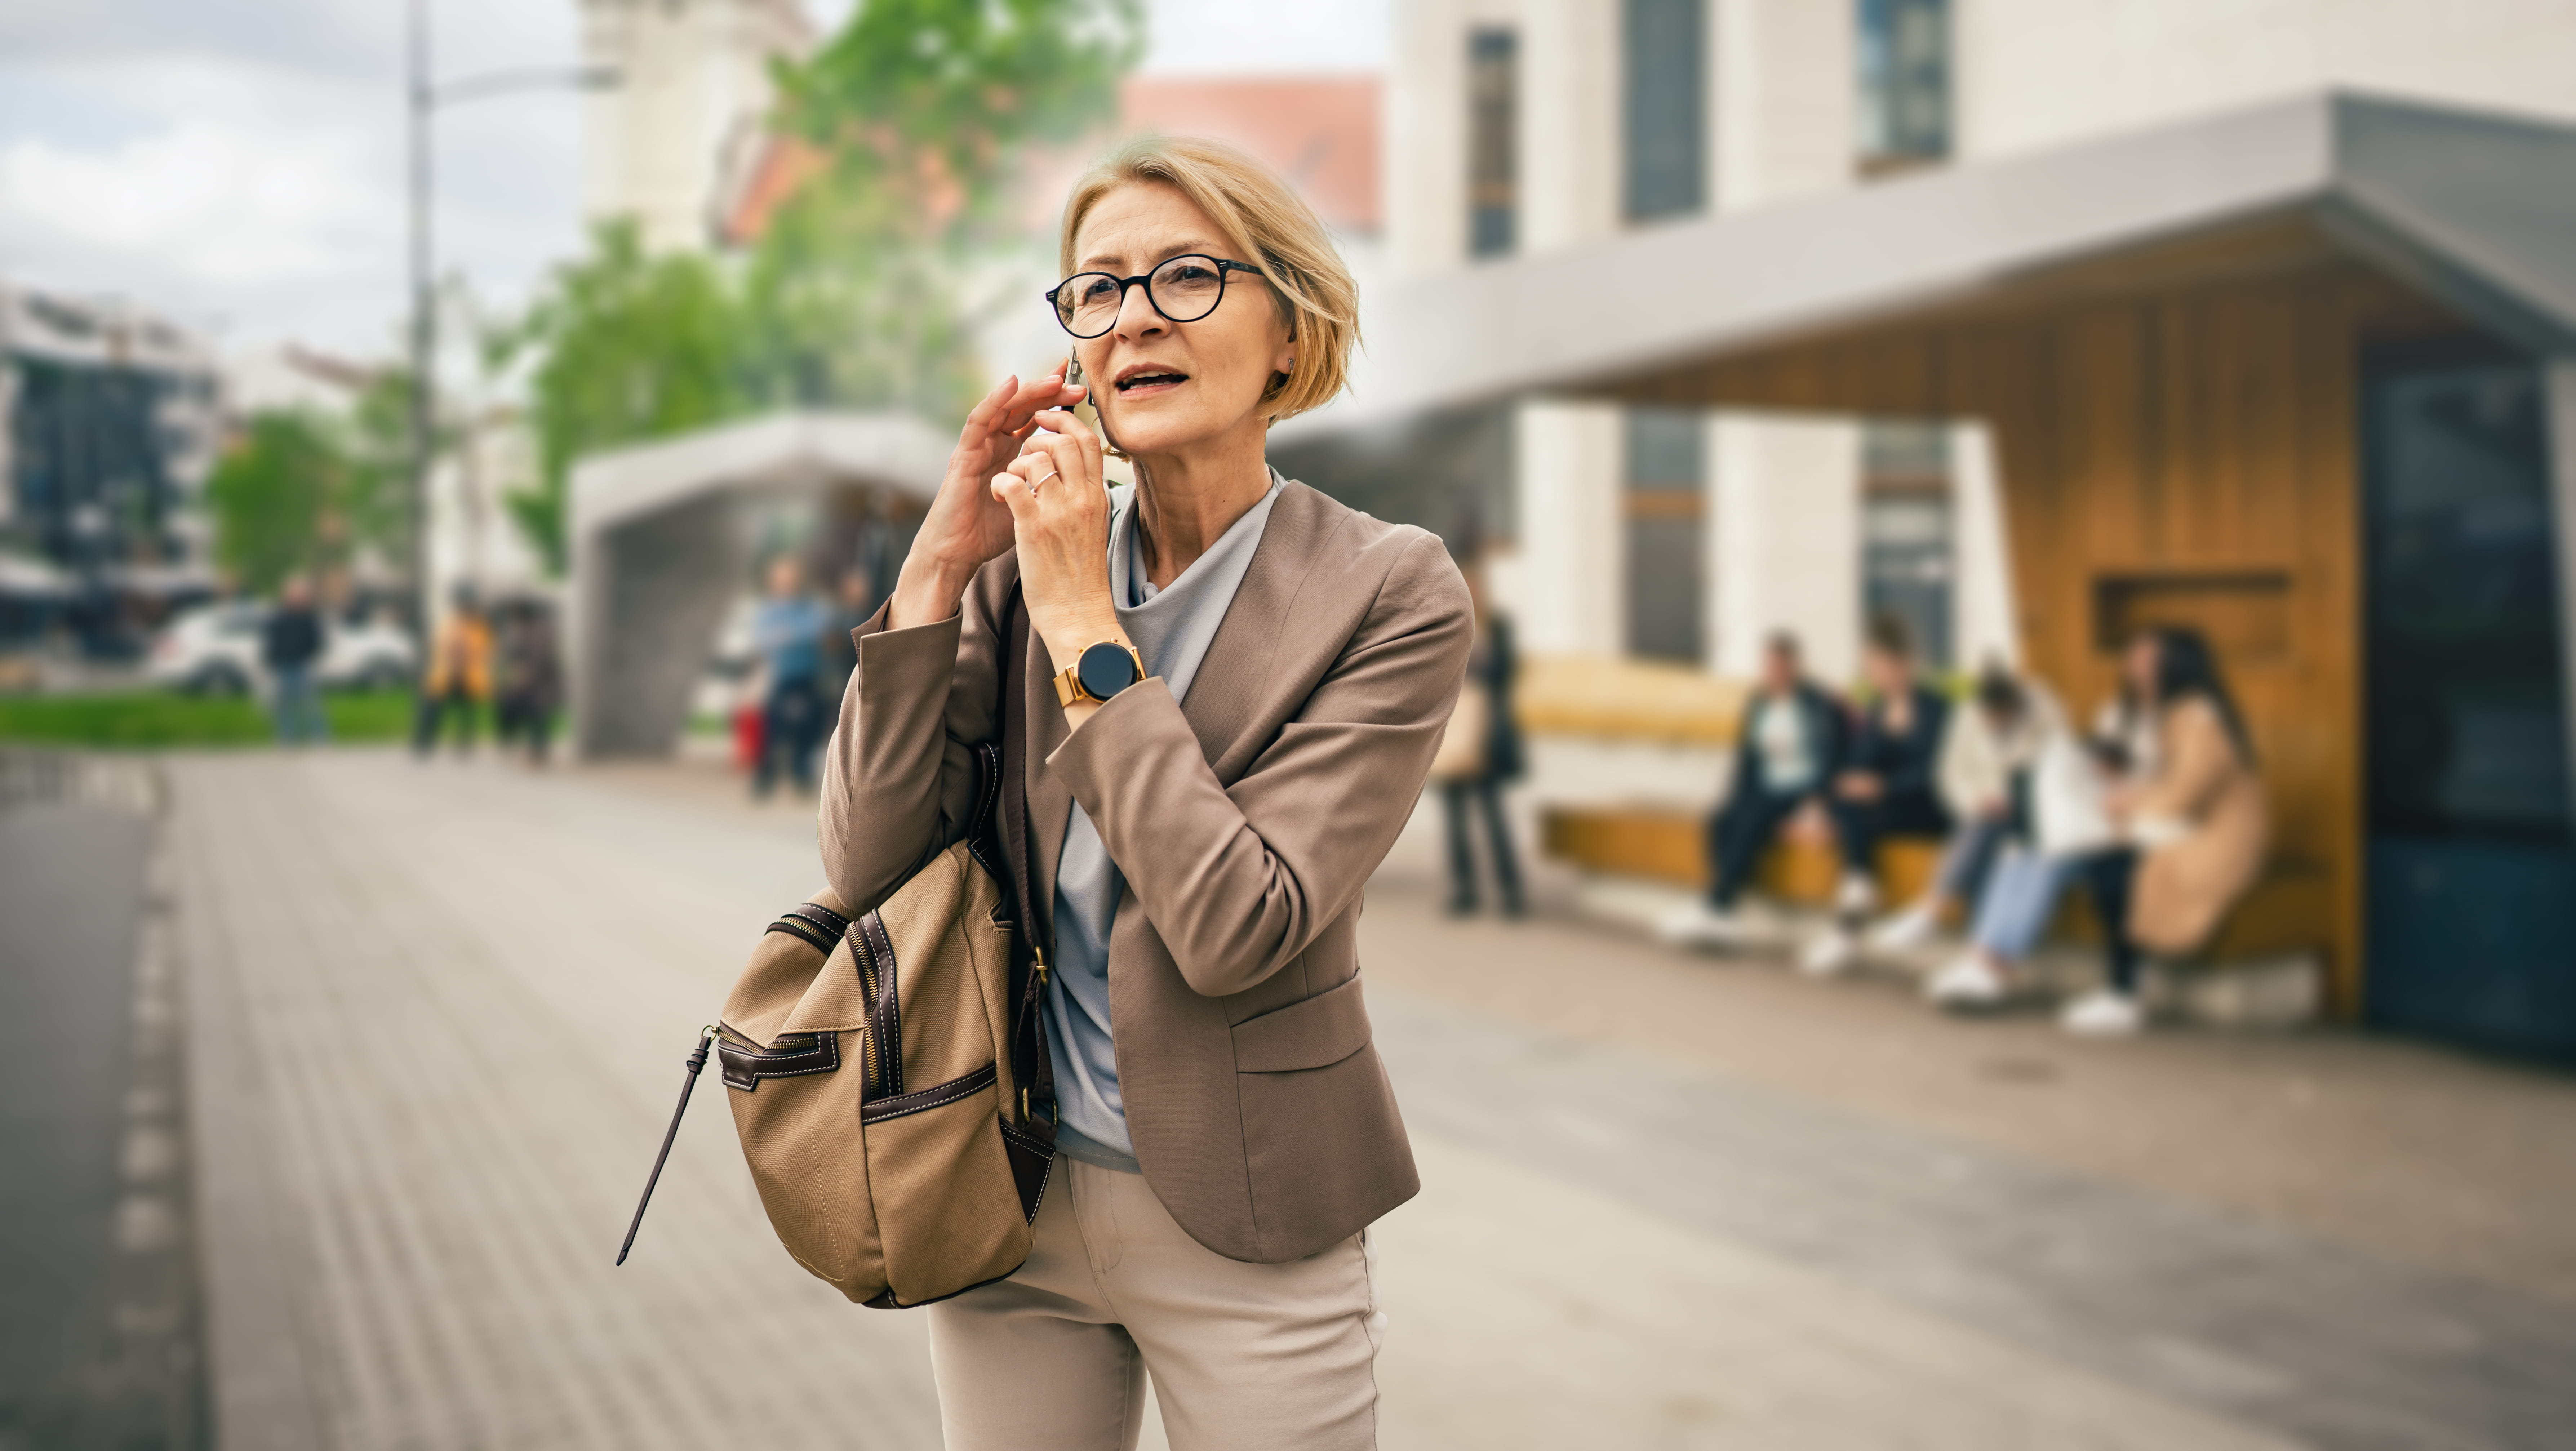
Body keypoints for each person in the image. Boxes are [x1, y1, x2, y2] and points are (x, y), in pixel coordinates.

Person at [820, 135, 1467, 1450]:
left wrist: (1082, 624)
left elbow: (1238, 926)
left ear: (1289, 332)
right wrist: (940, 564)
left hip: (1253, 1221)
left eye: (1185, 276)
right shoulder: (1012, 572)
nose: (1134, 318)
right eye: (1098, 288)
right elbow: (866, 862)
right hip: (1003, 1195)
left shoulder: (1388, 590)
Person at [1927, 627, 2267, 1036]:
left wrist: (2127, 799)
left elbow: (2185, 791)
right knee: (2033, 848)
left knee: (2105, 864)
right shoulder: (2126, 713)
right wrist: (2104, 777)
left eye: (2147, 659)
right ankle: (1987, 960)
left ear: (2176, 664)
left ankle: (2120, 992)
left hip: (2199, 838)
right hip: (2142, 825)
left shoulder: (2197, 716)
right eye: (2134, 657)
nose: (2136, 667)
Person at [1658, 632, 1848, 947]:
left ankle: (1718, 909)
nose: (1774, 672)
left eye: (1780, 665)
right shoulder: (1759, 702)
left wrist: (1818, 802)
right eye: (1769, 665)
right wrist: (1731, 797)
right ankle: (1722, 910)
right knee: (1721, 819)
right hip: (1766, 786)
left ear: (1794, 666)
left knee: (1752, 819)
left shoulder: (1816, 702)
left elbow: (1831, 754)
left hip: (1802, 791)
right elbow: (1747, 757)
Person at [1870, 663, 2062, 951]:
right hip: (1982, 812)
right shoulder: (1968, 715)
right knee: (1983, 829)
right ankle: (1976, 944)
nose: (1993, 724)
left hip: (2033, 811)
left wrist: (2009, 798)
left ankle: (1932, 912)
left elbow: (2051, 772)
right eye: (1988, 717)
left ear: (2014, 708)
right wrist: (1978, 800)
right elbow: (1949, 773)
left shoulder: (2045, 717)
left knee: (1983, 831)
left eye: (2000, 718)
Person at [1802, 616, 1952, 974]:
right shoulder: (1877, 709)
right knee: (1846, 799)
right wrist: (1836, 794)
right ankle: (1857, 895)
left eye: (1876, 665)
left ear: (1900, 663)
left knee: (1855, 820)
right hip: (1887, 811)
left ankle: (1849, 924)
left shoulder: (1937, 709)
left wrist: (1883, 786)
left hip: (1927, 809)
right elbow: (1859, 762)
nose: (1871, 674)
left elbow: (1937, 774)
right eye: (1868, 666)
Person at [1431, 566, 1527, 917]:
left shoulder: (1498, 628)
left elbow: (1507, 673)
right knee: (1455, 821)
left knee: (1494, 817)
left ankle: (1511, 892)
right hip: (1453, 735)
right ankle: (1465, 891)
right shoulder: (1443, 622)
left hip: (1487, 737)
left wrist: (1476, 662)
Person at [750, 557, 832, 798]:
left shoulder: (808, 607)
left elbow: (817, 630)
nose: (785, 583)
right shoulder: (768, 610)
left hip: (807, 675)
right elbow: (763, 638)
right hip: (782, 676)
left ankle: (801, 773)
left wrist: (787, 635)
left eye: (789, 578)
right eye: (781, 579)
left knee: (808, 726)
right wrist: (788, 635)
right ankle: (766, 776)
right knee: (773, 727)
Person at [413, 587, 490, 757]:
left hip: (468, 678)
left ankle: (465, 743)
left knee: (467, 711)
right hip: (446, 676)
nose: (464, 608)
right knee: (431, 705)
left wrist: (462, 659)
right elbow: (441, 646)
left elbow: (480, 651)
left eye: (467, 604)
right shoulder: (451, 624)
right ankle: (424, 743)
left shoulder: (479, 627)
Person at [492, 601, 562, 766]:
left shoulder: (539, 634)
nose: (514, 625)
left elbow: (540, 660)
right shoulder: (521, 634)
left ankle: (538, 751)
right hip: (524, 685)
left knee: (536, 712)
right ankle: (512, 742)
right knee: (508, 706)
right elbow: (510, 658)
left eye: (515, 620)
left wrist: (525, 674)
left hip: (540, 685)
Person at [262, 574, 328, 746]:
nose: (298, 598)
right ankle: (287, 738)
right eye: (294, 595)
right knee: (285, 706)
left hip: (303, 665)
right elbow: (271, 642)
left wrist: (308, 655)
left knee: (310, 705)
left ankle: (319, 737)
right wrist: (271, 662)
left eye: (301, 595)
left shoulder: (309, 618)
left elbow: (317, 642)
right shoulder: (279, 617)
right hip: (283, 665)